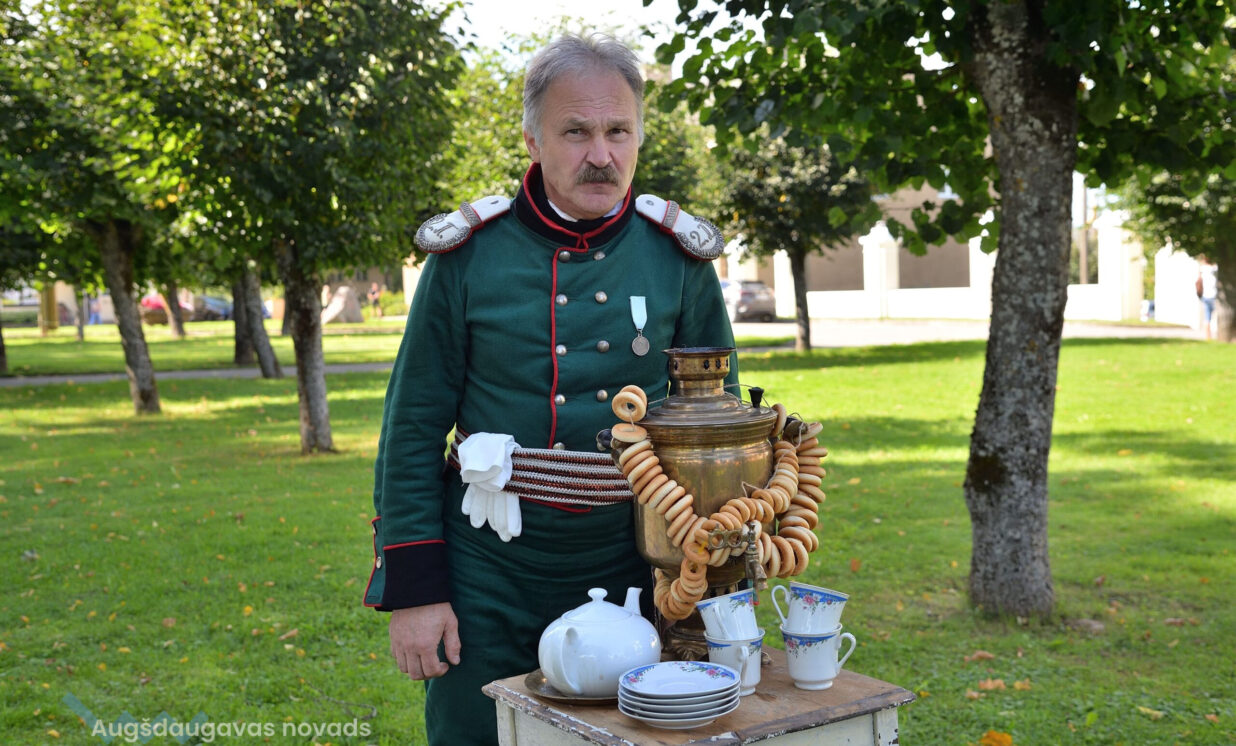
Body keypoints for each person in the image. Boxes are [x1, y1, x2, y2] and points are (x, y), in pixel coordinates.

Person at [365, 33, 737, 746]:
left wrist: (710, 582)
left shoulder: (677, 257)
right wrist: (417, 591)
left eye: (618, 131)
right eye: (576, 132)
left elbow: (715, 433)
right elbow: (412, 428)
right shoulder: (467, 255)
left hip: (637, 564)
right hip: (487, 573)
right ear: (533, 141)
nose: (601, 154)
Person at [1197, 255, 1219, 340]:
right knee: (1217, 316)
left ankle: (1208, 336)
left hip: (1205, 295)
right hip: (1214, 295)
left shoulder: (1201, 269)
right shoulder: (1214, 268)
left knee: (1207, 317)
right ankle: (1217, 335)